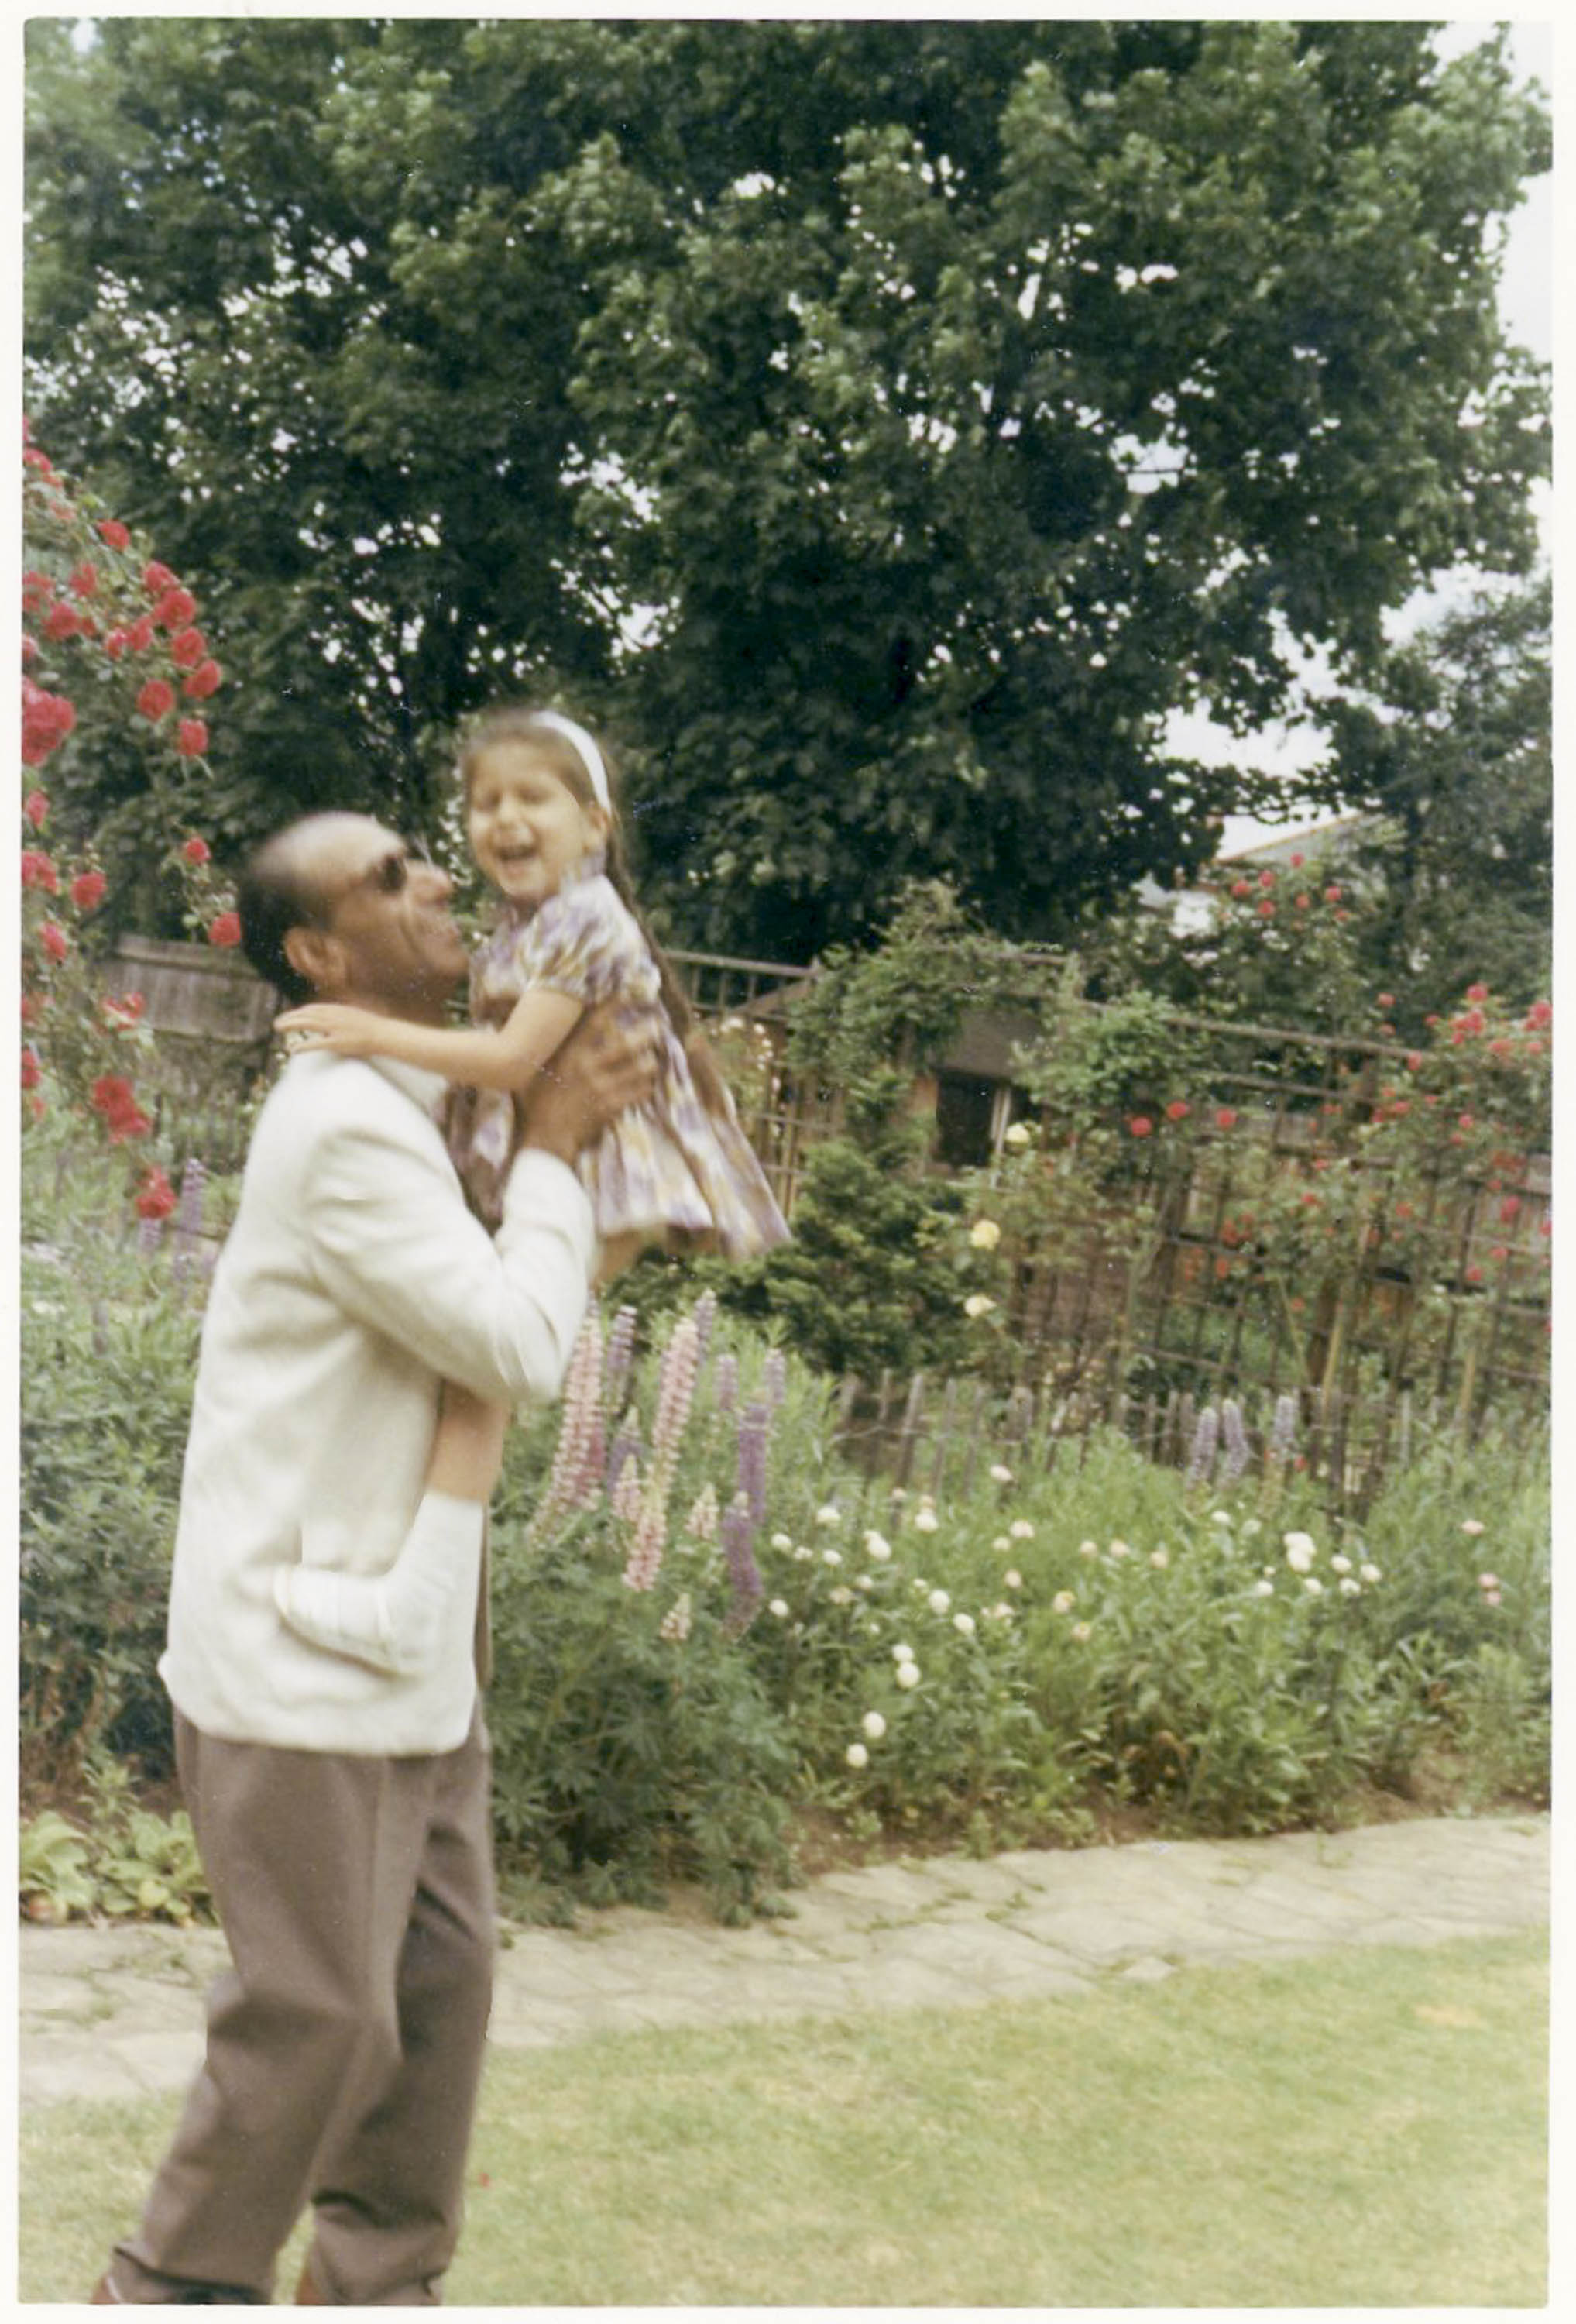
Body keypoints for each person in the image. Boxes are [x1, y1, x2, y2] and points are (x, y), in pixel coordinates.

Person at [92, 810, 660, 2307]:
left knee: (436, 2007)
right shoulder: (342, 1126)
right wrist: (552, 1148)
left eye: (426, 861)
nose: (439, 889)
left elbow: (507, 1314)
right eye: (391, 883)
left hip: (410, 1657)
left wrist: (563, 1152)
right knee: (318, 2021)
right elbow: (518, 1341)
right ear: (318, 955)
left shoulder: (418, 1103)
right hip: (296, 1667)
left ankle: (380, 2293)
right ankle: (168, 2290)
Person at [267, 706, 788, 1676]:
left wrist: (369, 1031)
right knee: (472, 1380)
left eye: (532, 798)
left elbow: (511, 1061)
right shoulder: (529, 922)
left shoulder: (584, 919)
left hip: (610, 1168)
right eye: (483, 801)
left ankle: (417, 1608)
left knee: (487, 1375)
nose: (503, 818)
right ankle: (427, 1598)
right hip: (581, 1158)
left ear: (595, 826)